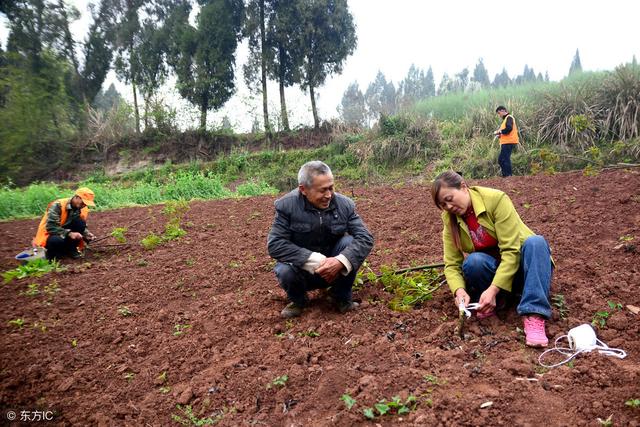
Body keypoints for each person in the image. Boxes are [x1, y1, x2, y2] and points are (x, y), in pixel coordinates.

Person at [431, 171, 553, 347]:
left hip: (524, 271)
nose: (448, 206)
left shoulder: (495, 199)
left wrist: (494, 289)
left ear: (463, 187)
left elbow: (511, 252)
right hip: (497, 274)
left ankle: (534, 315)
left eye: (449, 198)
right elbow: (451, 264)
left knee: (536, 243)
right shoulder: (449, 219)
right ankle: (491, 304)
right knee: (474, 262)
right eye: (443, 204)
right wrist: (458, 291)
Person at [267, 161, 374, 318]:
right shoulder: (286, 206)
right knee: (284, 270)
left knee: (349, 243)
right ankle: (299, 300)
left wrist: (340, 261)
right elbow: (275, 244)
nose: (329, 195)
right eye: (323, 190)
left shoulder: (344, 205)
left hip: (336, 270)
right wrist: (315, 261)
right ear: (303, 189)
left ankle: (341, 297)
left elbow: (365, 237)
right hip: (303, 271)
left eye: (331, 187)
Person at [33, 187, 97, 260]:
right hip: (50, 234)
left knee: (80, 223)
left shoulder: (81, 208)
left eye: (86, 203)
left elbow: (79, 225)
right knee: (56, 240)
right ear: (76, 197)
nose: (84, 205)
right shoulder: (58, 205)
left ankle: (71, 250)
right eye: (83, 202)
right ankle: (53, 255)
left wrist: (86, 234)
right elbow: (51, 228)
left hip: (65, 233)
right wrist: (70, 234)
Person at [493, 105, 519, 177]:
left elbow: (509, 128)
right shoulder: (506, 119)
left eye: (499, 113)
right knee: (501, 160)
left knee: (504, 159)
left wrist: (500, 132)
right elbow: (507, 131)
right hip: (506, 142)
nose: (499, 115)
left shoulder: (509, 117)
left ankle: (508, 176)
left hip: (509, 142)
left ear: (503, 111)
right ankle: (506, 176)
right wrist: (500, 135)